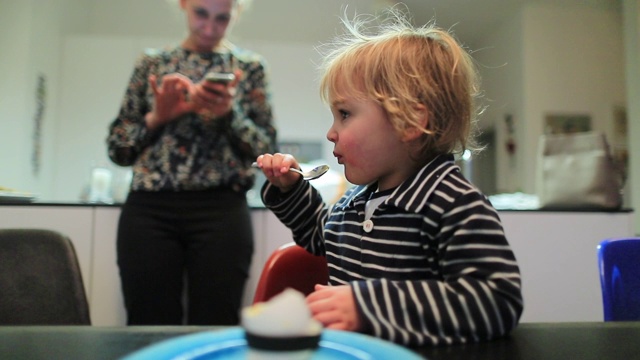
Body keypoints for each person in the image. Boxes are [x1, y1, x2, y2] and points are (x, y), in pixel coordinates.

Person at [254, 8, 523, 346]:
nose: (331, 133)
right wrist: (291, 189)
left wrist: (367, 306)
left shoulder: (453, 204)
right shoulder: (357, 202)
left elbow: (496, 301)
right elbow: (319, 236)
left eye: (345, 114)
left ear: (410, 120)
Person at [106, 0, 277, 325]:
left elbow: (266, 150)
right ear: (184, 5)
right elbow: (119, 149)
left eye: (222, 18)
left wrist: (229, 115)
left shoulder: (249, 68)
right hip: (150, 211)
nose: (210, 27)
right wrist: (159, 117)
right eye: (201, 13)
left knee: (217, 324)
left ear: (235, 14)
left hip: (222, 210)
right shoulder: (153, 64)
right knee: (148, 324)